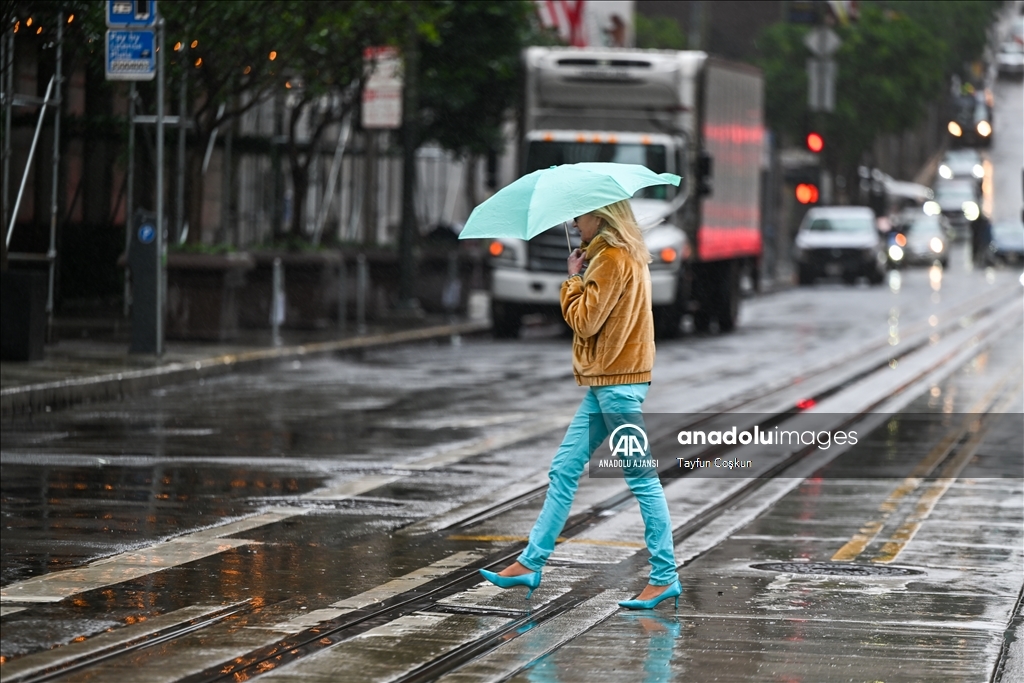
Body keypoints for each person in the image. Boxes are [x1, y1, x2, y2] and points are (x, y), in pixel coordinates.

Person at [479, 199, 680, 610]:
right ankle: (530, 563)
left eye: (581, 214)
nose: (574, 220)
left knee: (642, 480)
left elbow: (585, 320)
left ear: (601, 216)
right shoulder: (627, 252)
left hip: (616, 388)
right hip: (608, 382)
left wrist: (572, 280)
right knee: (564, 469)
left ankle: (664, 576)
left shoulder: (610, 258)